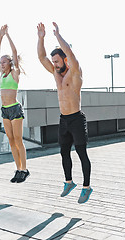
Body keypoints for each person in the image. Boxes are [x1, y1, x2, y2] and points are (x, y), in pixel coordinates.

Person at [37, 22, 92, 204]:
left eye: (57, 61)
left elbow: (70, 53)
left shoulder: (75, 72)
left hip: (76, 118)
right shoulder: (55, 73)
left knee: (81, 153)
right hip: (63, 119)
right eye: (53, 62)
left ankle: (86, 187)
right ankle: (69, 182)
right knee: (63, 152)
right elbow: (41, 57)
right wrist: (41, 38)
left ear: (65, 60)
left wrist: (58, 36)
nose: (54, 65)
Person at [0, 25, 29, 183]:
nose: (1, 64)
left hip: (15, 109)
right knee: (10, 140)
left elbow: (14, 54)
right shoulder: (1, 75)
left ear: (10, 63)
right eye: (0, 62)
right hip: (5, 110)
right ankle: (18, 169)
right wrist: (0, 36)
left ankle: (24, 169)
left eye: (4, 62)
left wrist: (7, 35)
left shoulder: (14, 74)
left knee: (18, 139)